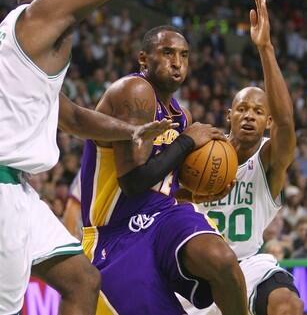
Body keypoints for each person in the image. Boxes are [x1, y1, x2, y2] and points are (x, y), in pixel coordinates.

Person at [0, 0, 252, 314]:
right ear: (46, 1)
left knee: (81, 281)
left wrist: (132, 131)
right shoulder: (35, 20)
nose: (80, 2)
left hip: (21, 191)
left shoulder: (21, 60)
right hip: (10, 193)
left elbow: (77, 118)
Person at [80, 25, 249, 315]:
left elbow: (166, 186)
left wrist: (200, 194)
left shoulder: (182, 116)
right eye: (167, 52)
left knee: (221, 260)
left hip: (163, 216)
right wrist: (186, 142)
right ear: (143, 59)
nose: (177, 62)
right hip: (115, 232)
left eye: (184, 55)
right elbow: (133, 183)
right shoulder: (134, 91)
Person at [180, 0, 304, 315]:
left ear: (268, 121)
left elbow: (288, 122)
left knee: (287, 305)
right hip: (196, 269)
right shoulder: (201, 153)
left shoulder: (269, 160)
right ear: (229, 115)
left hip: (247, 264)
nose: (249, 115)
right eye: (242, 109)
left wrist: (265, 49)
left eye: (258, 111)